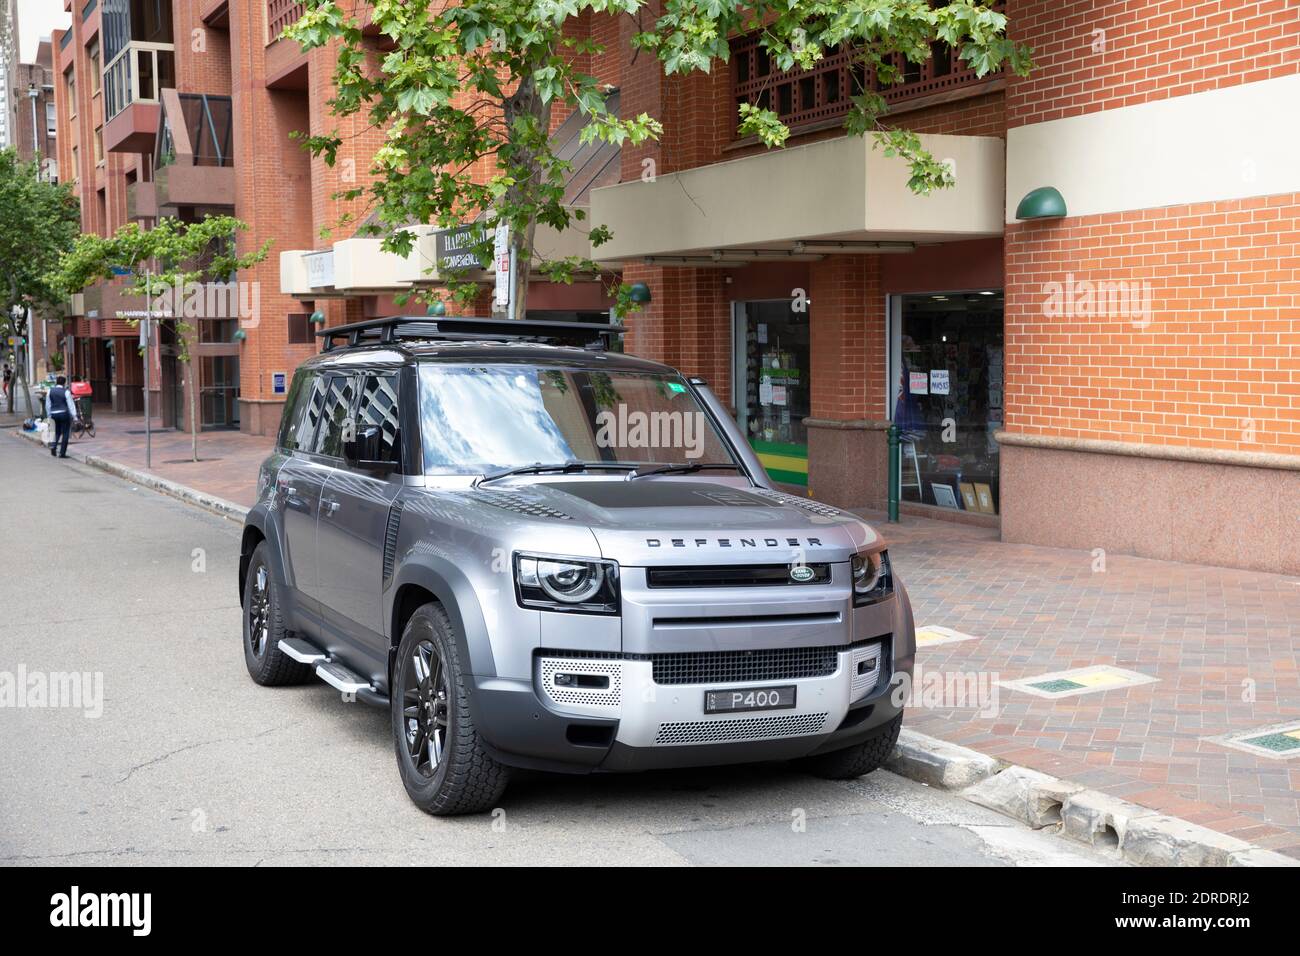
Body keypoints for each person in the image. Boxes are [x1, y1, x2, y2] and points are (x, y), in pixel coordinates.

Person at [46, 375, 80, 459]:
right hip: (64, 413)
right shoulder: (66, 392)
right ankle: (62, 453)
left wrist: (49, 415)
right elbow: (71, 405)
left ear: (56, 382)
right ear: (64, 383)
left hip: (54, 413)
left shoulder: (50, 391)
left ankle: (53, 446)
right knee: (65, 433)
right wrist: (75, 417)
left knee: (56, 432)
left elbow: (48, 405)